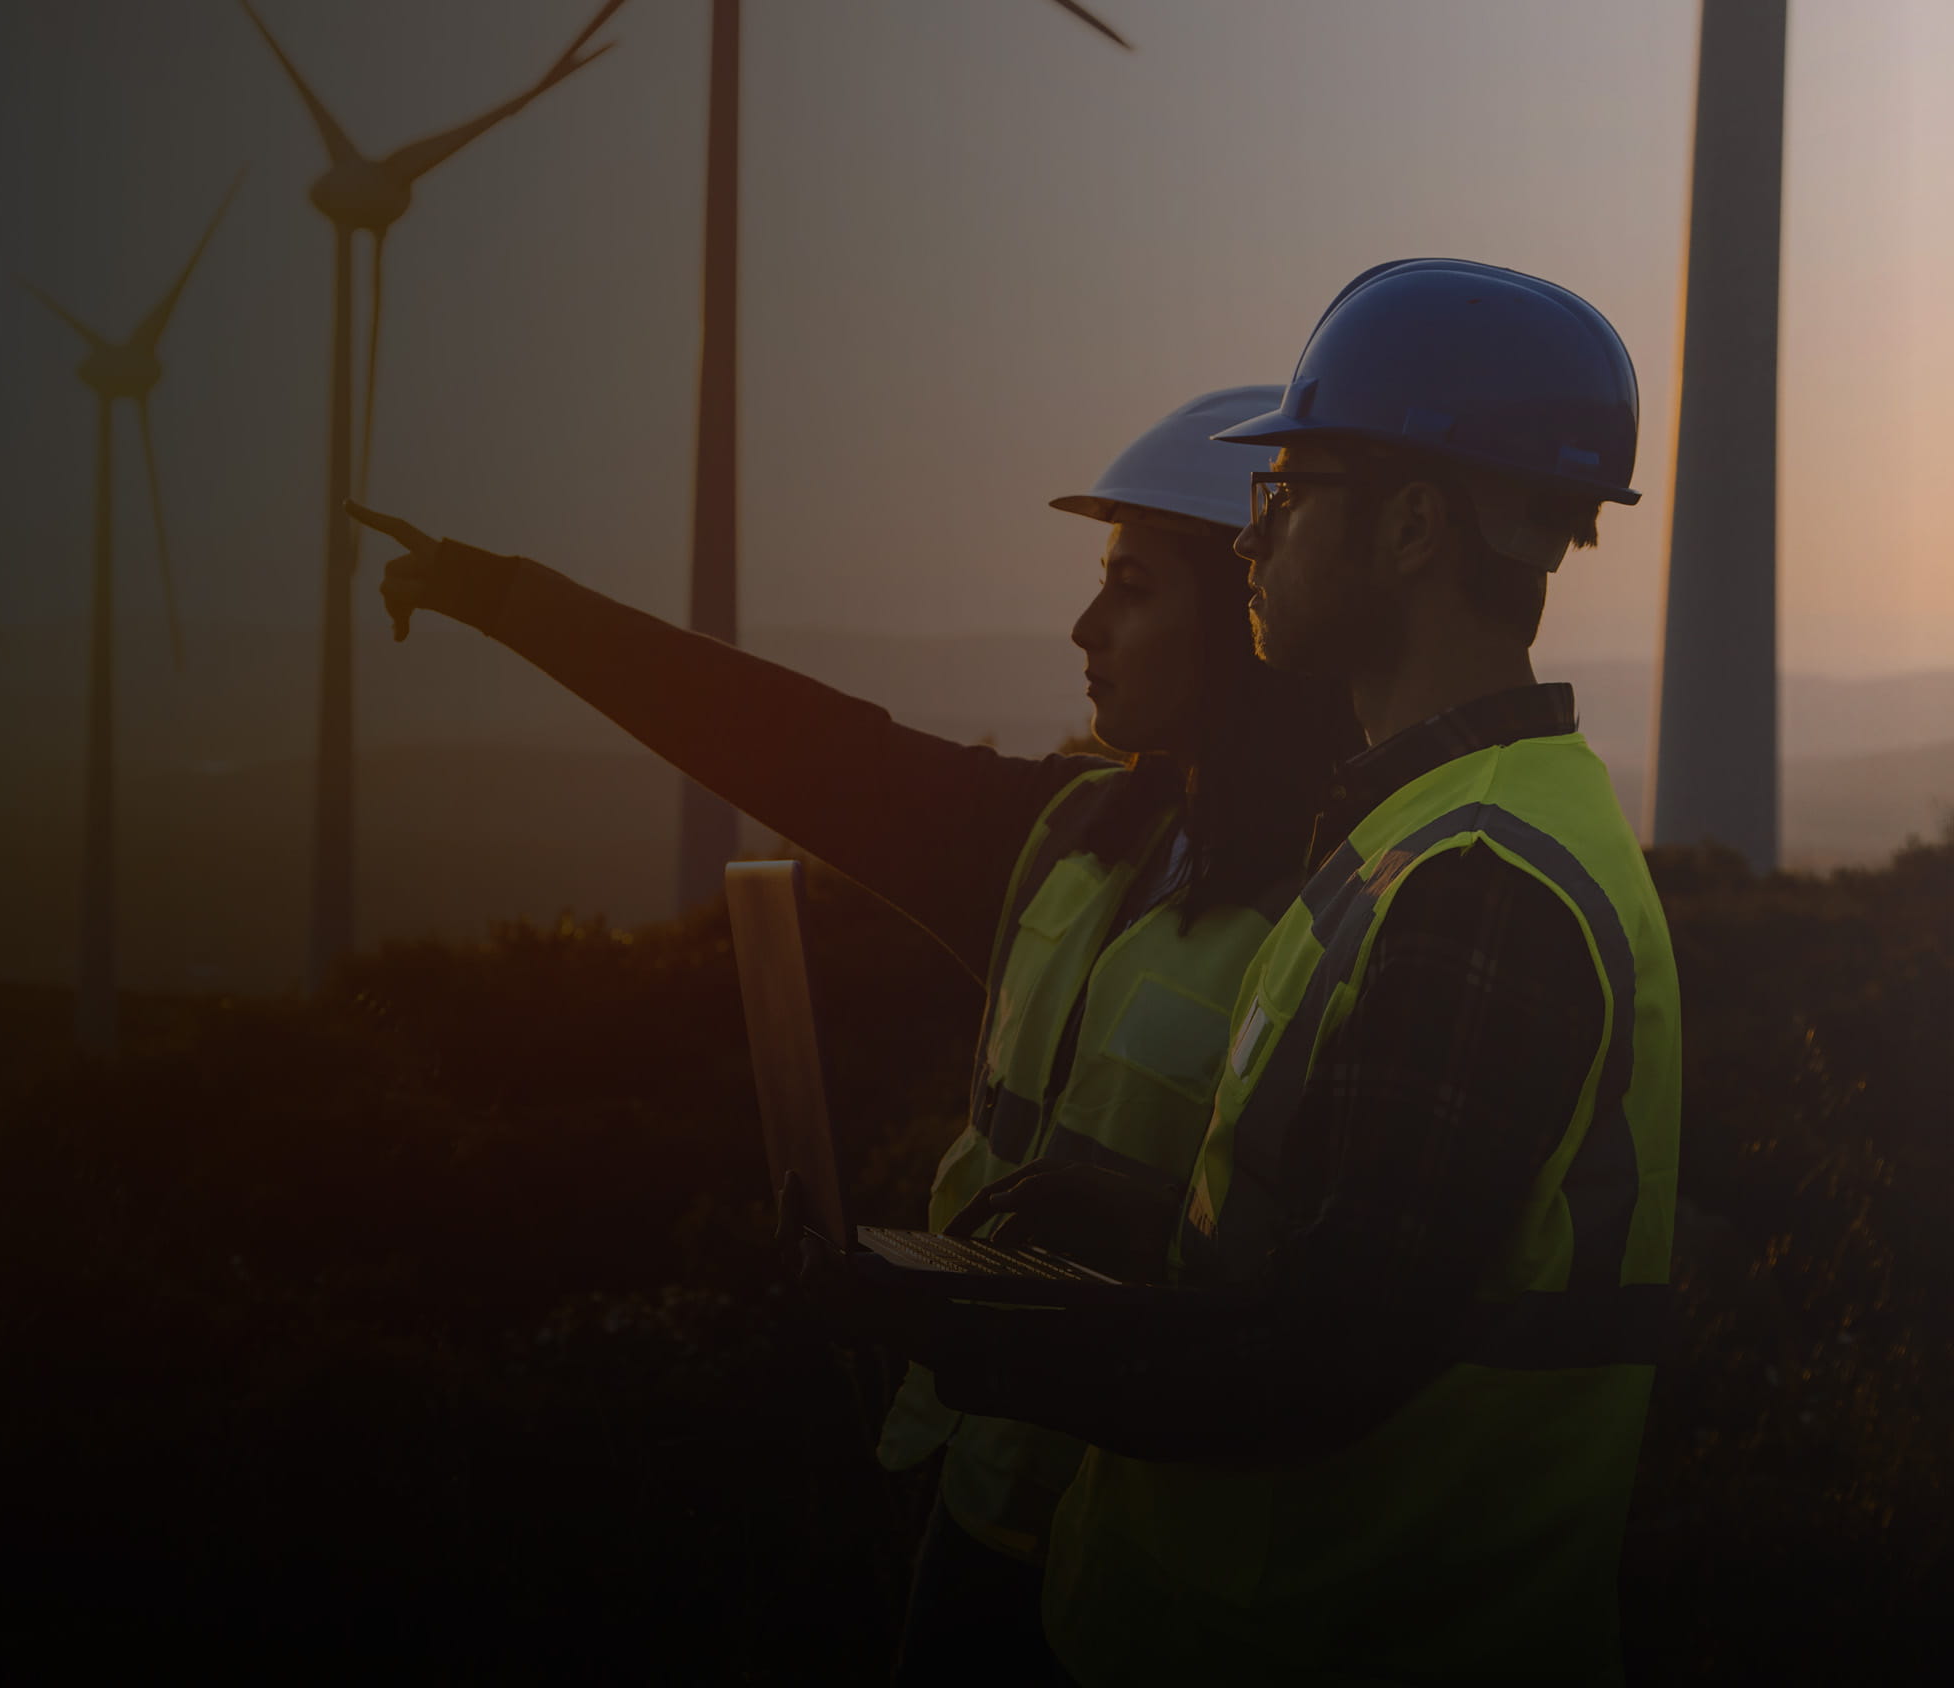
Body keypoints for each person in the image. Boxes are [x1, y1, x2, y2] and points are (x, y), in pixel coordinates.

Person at [346, 386, 1361, 1684]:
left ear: (1244, 617)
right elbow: (807, 750)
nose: (1085, 628)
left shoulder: (1358, 913)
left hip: (1181, 1578)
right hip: (987, 1505)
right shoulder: (1068, 842)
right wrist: (509, 597)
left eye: (1134, 590)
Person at [859, 259, 1684, 1685]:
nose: (1251, 539)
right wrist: (1116, 1227)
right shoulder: (1421, 833)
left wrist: (977, 1332)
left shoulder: (1477, 887)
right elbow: (1328, 1250)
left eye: (1285, 495)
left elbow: (1323, 1358)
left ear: (1415, 527)